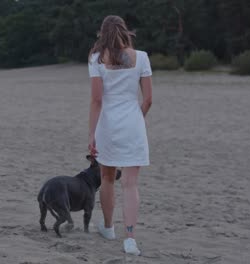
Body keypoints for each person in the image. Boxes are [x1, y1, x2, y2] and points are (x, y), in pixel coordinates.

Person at [87, 15, 152, 256]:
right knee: (130, 183)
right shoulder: (142, 57)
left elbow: (96, 99)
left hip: (108, 125)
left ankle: (107, 227)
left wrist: (92, 134)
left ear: (102, 33)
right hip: (133, 124)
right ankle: (131, 238)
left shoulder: (96, 58)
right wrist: (138, 118)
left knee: (107, 177)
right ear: (125, 31)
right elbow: (148, 99)